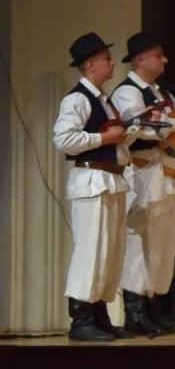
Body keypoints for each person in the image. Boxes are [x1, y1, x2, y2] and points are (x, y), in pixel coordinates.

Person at [110, 30, 175, 335]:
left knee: (163, 244)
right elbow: (139, 123)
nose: (165, 59)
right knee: (139, 241)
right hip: (143, 173)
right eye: (159, 54)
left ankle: (154, 305)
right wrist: (173, 125)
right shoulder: (127, 92)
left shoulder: (160, 92)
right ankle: (135, 310)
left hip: (165, 174)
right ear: (141, 58)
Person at [54, 32, 132, 341]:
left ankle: (100, 313)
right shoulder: (77, 99)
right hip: (91, 179)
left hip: (111, 179)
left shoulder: (104, 99)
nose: (112, 63)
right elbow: (63, 140)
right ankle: (81, 318)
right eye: (106, 58)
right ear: (91, 65)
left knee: (110, 252)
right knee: (91, 249)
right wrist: (104, 138)